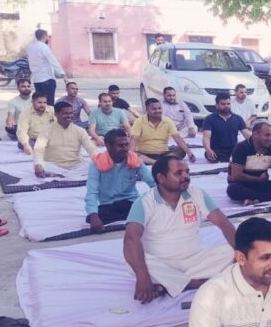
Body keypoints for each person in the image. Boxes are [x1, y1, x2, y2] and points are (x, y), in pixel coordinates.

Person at [124, 154, 236, 303]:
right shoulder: (144, 202)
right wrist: (143, 276)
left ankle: (171, 285)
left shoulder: (197, 194)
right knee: (132, 262)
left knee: (233, 251)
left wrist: (243, 254)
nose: (185, 176)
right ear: (161, 178)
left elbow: (223, 223)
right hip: (161, 264)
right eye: (178, 173)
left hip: (195, 262)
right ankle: (196, 283)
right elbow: (131, 238)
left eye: (187, 172)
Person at [85, 129, 156, 233]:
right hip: (108, 205)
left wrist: (163, 201)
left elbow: (152, 182)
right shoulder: (96, 164)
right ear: (108, 146)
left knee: (148, 208)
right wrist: (93, 215)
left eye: (126, 145)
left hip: (131, 202)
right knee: (91, 218)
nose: (125, 149)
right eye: (120, 146)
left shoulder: (134, 160)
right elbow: (92, 192)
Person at [33, 101, 97, 178]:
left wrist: (98, 160)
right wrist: (38, 164)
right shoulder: (46, 131)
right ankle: (66, 175)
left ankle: (61, 175)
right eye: (65, 113)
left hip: (76, 165)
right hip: (53, 165)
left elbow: (91, 148)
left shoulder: (80, 131)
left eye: (71, 113)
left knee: (93, 166)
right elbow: (39, 150)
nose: (69, 116)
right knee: (41, 166)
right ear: (56, 114)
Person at [130, 98, 196, 164]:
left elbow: (177, 138)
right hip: (144, 154)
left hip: (163, 154)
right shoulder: (139, 121)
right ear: (147, 110)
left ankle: (157, 161)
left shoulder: (167, 121)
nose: (157, 111)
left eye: (159, 108)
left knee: (181, 151)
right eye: (154, 109)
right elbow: (133, 139)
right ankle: (157, 162)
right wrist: (130, 155)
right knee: (135, 155)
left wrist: (189, 153)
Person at [202, 92, 250, 162]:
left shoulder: (238, 118)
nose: (226, 106)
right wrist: (208, 150)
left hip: (234, 150)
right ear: (217, 105)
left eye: (228, 103)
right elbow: (206, 137)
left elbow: (247, 135)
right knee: (210, 155)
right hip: (217, 151)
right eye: (223, 104)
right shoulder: (209, 119)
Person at [27, 29, 64, 105]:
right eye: (47, 36)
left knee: (40, 103)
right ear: (44, 36)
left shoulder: (30, 47)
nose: (48, 38)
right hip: (47, 79)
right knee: (49, 104)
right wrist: (63, 75)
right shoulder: (44, 47)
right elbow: (53, 61)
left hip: (36, 80)